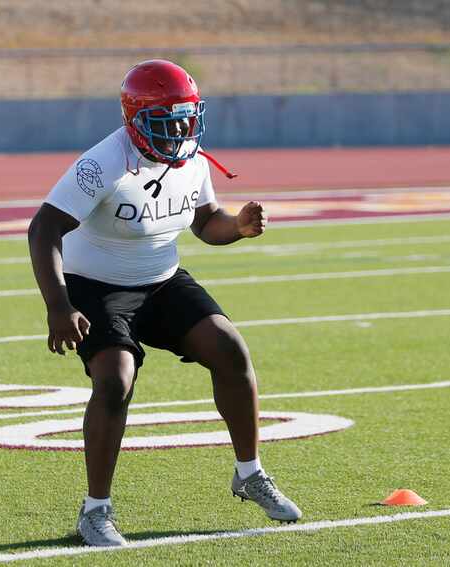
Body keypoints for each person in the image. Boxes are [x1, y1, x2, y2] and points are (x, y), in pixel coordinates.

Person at [27, 59, 301, 548]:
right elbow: (44, 227)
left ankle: (250, 473)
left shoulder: (191, 159)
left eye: (185, 117)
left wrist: (236, 227)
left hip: (162, 279)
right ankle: (96, 511)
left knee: (230, 349)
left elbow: (205, 222)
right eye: (166, 120)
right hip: (97, 285)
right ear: (135, 119)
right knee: (114, 380)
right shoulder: (103, 163)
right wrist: (58, 304)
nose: (178, 130)